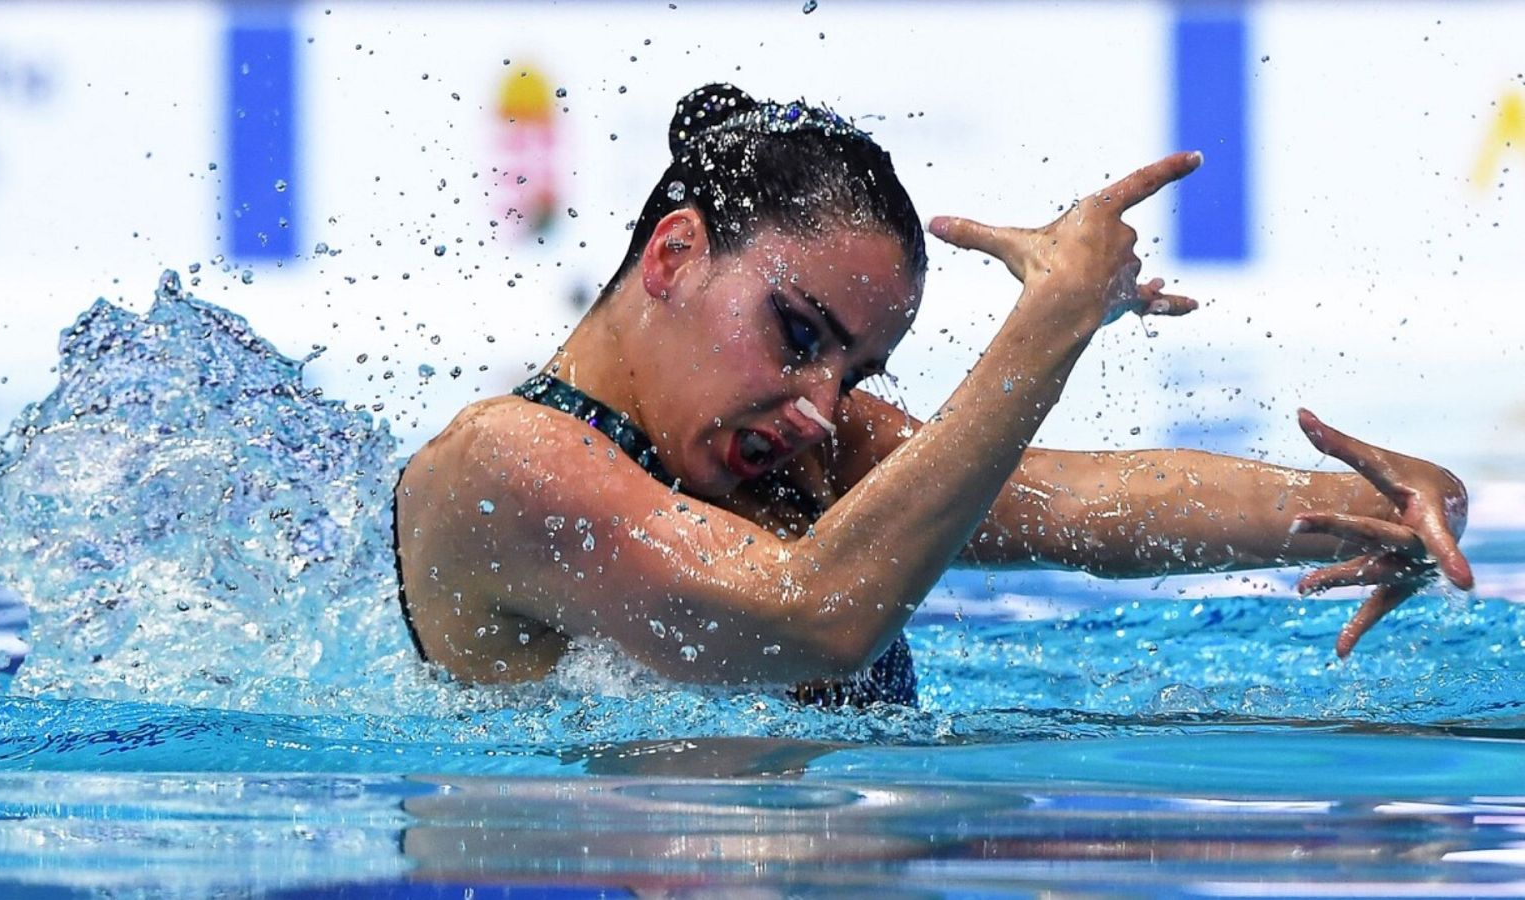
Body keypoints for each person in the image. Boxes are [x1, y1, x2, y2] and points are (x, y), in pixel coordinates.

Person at [393, 84, 1471, 706]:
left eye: (853, 372)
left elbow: (1068, 504)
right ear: (675, 255)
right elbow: (809, 620)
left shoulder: (806, 450)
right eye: (798, 333)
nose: (821, 404)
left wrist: (1393, 508)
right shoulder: (508, 469)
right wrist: (1049, 325)